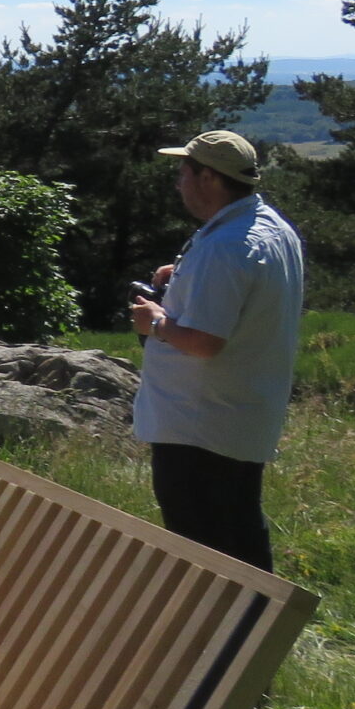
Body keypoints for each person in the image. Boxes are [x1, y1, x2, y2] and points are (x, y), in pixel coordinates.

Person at [129, 130, 304, 572]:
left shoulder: (227, 247)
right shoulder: (268, 227)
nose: (178, 182)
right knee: (240, 533)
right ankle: (261, 614)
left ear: (208, 177)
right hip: (236, 414)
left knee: (203, 552)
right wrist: (184, 274)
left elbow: (205, 341)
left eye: (184, 172)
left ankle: (224, 619)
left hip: (199, 423)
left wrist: (154, 321)